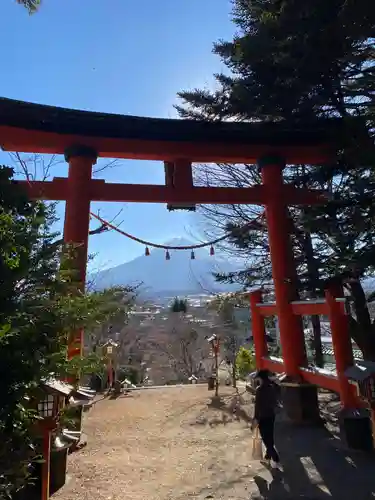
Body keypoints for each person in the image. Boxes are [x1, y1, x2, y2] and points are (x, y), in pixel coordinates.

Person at [251, 369, 280, 465]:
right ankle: (267, 457)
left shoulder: (260, 389)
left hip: (262, 416)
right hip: (271, 415)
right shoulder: (271, 388)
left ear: (260, 378)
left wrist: (255, 418)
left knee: (266, 439)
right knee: (270, 437)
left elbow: (257, 406)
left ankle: (275, 458)